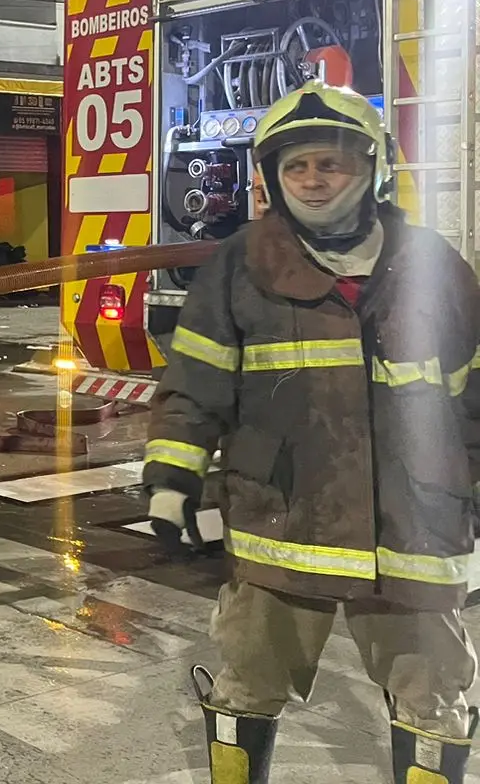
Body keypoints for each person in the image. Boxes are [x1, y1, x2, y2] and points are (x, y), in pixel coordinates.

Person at [143, 81, 480, 784]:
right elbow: (196, 382)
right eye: (295, 167)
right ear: (271, 177)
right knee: (249, 680)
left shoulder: (433, 266)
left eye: (330, 163)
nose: (313, 180)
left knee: (433, 696)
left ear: (371, 168)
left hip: (411, 526)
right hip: (282, 517)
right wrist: (171, 479)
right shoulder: (239, 265)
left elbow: (473, 389)